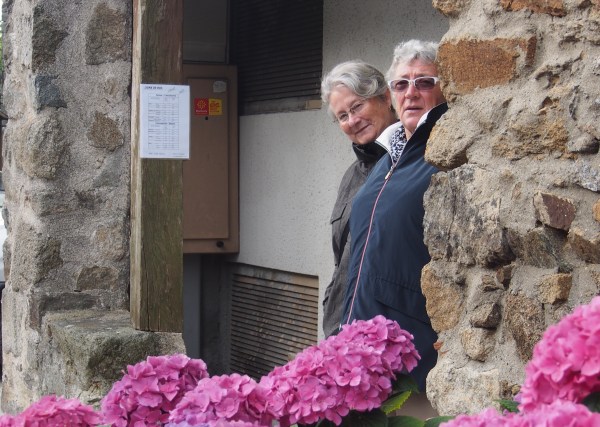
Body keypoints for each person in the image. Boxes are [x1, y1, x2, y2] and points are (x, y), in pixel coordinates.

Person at [340, 40, 448, 401]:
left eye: (425, 82)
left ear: (444, 87)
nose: (411, 93)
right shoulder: (388, 155)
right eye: (402, 84)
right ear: (391, 94)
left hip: (409, 347)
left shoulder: (444, 155)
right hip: (359, 333)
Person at [320, 60, 397, 338]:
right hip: (341, 331)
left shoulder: (410, 166)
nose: (352, 121)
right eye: (342, 116)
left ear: (385, 97)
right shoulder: (351, 177)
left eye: (357, 107)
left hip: (387, 335)